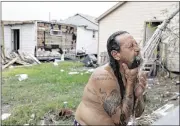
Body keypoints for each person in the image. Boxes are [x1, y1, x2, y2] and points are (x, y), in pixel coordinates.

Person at [74, 31, 147, 125]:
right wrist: (130, 83)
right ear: (116, 55)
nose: (137, 49)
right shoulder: (103, 77)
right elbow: (122, 121)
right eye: (130, 46)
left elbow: (137, 114)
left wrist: (139, 95)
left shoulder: (132, 73)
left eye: (136, 44)